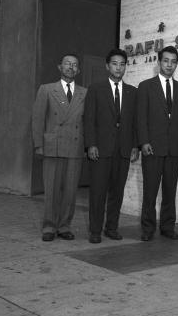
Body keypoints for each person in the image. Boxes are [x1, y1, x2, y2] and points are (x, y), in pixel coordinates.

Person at [84, 48, 139, 244]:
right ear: (107, 66)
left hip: (123, 150)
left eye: (122, 64)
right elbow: (89, 119)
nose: (118, 67)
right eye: (115, 64)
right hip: (101, 149)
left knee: (117, 192)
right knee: (98, 192)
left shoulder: (133, 92)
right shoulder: (95, 89)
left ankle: (111, 228)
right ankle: (95, 230)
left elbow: (135, 122)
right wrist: (91, 144)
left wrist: (135, 146)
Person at [32, 54, 87, 242]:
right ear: (59, 67)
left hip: (75, 146)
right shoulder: (46, 90)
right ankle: (49, 226)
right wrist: (39, 144)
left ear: (78, 70)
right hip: (52, 146)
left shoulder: (85, 93)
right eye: (67, 64)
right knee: (52, 189)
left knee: (70, 190)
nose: (71, 67)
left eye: (74, 65)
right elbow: (38, 118)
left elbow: (87, 121)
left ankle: (64, 225)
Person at [137, 46, 178, 241]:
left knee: (170, 190)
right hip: (152, 148)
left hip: (173, 150)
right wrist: (143, 142)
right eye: (166, 61)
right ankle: (147, 229)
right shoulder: (146, 86)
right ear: (159, 62)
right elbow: (140, 118)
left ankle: (168, 227)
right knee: (150, 191)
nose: (169, 65)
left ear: (176, 64)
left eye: (173, 61)